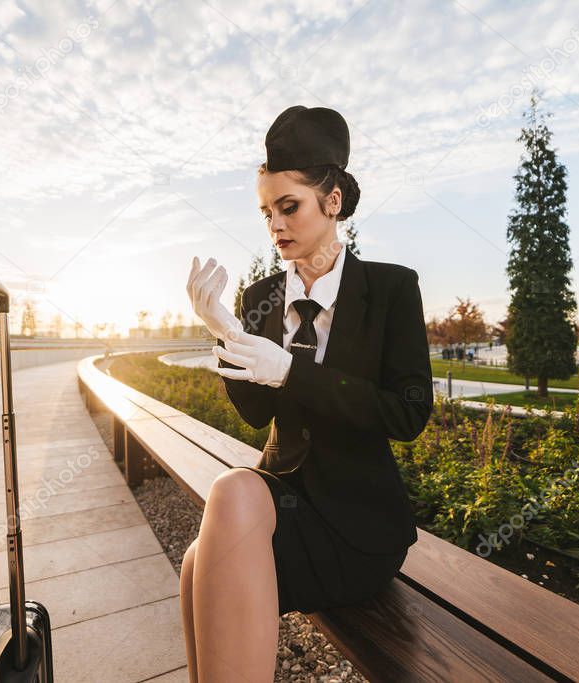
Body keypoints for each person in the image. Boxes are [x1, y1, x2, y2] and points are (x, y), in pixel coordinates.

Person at [184, 105, 433, 682]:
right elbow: (254, 415)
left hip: (357, 523)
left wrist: (293, 371)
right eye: (266, 212)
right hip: (285, 510)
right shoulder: (261, 296)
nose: (276, 226)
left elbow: (408, 411)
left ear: (334, 202)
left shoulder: (392, 289)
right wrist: (227, 332)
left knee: (230, 500)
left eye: (288, 207)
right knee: (197, 561)